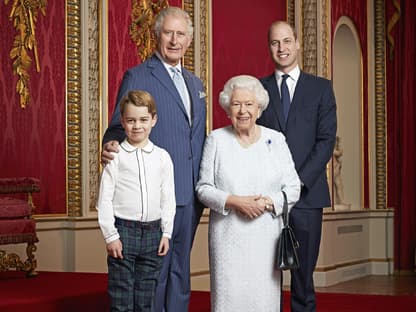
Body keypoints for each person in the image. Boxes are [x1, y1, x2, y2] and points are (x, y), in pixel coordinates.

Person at [101, 7, 206, 312]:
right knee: (154, 274)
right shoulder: (139, 75)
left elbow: (195, 137)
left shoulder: (195, 84)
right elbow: (118, 127)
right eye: (168, 33)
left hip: (190, 192)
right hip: (155, 192)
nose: (174, 40)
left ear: (188, 40)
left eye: (181, 34)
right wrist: (110, 144)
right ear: (156, 35)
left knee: (180, 270)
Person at [196, 75, 301, 312]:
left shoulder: (276, 140)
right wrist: (235, 202)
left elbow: (293, 187)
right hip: (227, 239)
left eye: (249, 104)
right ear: (227, 108)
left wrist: (266, 203)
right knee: (229, 301)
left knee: (263, 301)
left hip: (266, 238)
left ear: (259, 107)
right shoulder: (216, 140)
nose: (243, 111)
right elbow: (203, 188)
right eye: (236, 104)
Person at [257, 21, 337, 312]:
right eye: (276, 43)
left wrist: (297, 183)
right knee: (267, 275)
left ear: (298, 43)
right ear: (270, 47)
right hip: (266, 197)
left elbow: (326, 141)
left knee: (303, 276)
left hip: (307, 195)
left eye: (287, 41)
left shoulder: (321, 89)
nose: (282, 48)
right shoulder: (258, 89)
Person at [97, 90, 176, 311]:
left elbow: (168, 198)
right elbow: (104, 200)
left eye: (143, 120)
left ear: (154, 119)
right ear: (122, 121)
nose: (137, 126)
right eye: (131, 120)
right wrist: (111, 236)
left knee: (146, 298)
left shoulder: (162, 157)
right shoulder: (115, 156)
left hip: (153, 234)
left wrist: (166, 233)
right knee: (121, 297)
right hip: (124, 232)